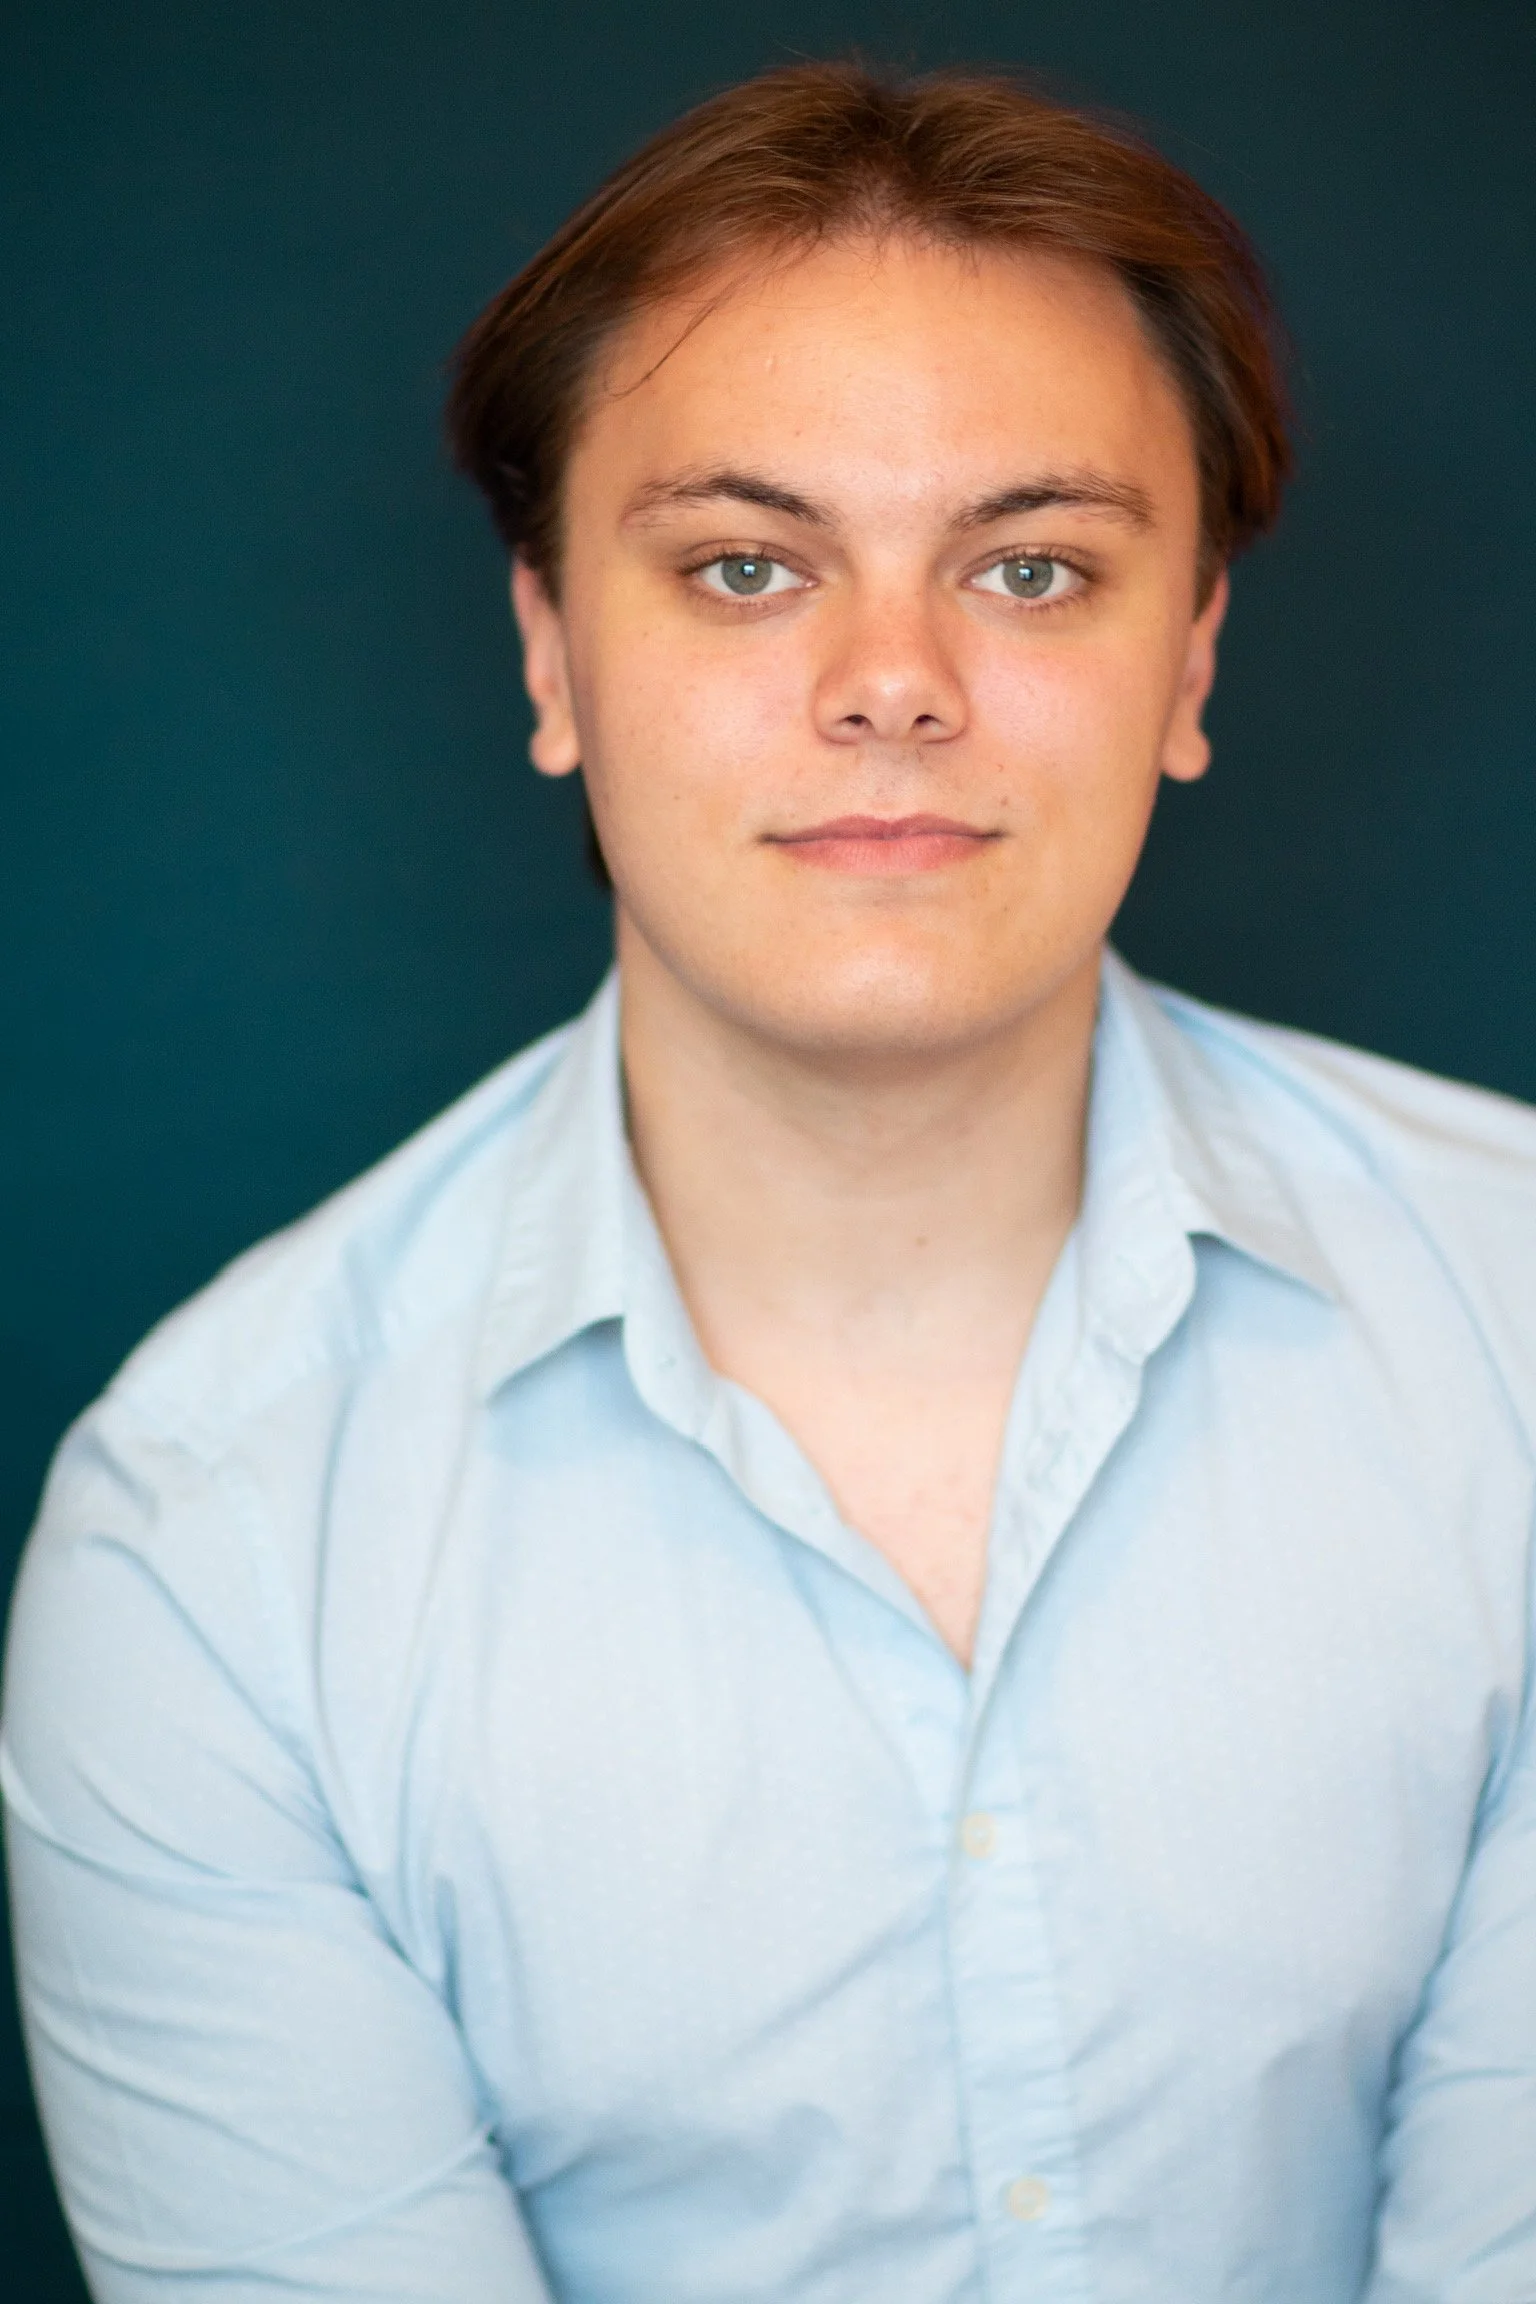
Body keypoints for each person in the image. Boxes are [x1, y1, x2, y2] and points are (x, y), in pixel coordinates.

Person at [3, 58, 1533, 2304]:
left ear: (1189, 656)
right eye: (744, 567)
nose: (892, 684)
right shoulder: (212, 1551)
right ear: (550, 653)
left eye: (1031, 568)